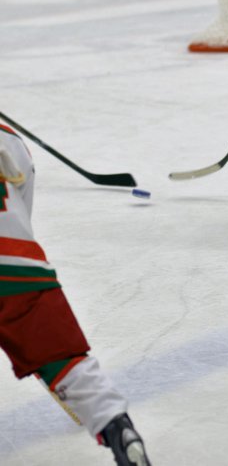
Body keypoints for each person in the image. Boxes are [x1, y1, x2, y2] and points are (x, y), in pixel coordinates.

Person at [0, 122, 151, 464]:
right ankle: (115, 425)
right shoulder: (8, 140)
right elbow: (22, 212)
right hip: (18, 261)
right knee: (61, 354)